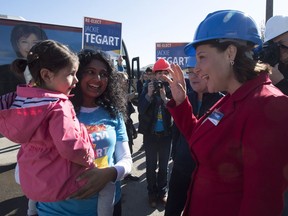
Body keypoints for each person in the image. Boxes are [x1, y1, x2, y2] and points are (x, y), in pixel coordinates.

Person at [163, 10, 288, 216]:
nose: (198, 68)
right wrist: (181, 103)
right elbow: (202, 140)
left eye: (202, 57)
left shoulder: (269, 105)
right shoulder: (232, 97)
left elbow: (261, 204)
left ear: (230, 53)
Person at [0, 40, 98, 215]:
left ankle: (32, 210)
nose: (76, 79)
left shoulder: (20, 100)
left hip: (34, 183)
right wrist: (90, 157)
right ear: (46, 75)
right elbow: (71, 145)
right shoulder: (58, 105)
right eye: (71, 74)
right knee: (107, 188)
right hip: (61, 184)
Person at [70, 49, 132, 215]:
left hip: (109, 206)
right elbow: (25, 169)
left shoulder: (113, 112)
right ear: (76, 74)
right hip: (60, 209)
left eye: (104, 74)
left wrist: (110, 174)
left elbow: (126, 159)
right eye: (90, 72)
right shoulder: (56, 110)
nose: (98, 79)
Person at [164, 56, 224, 216]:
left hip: (205, 173)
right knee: (172, 209)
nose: (193, 76)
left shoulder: (222, 102)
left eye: (198, 71)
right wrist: (175, 155)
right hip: (181, 167)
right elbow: (176, 130)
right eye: (190, 72)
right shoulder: (183, 96)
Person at [138, 58, 173, 208]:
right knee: (151, 166)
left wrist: (166, 99)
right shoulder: (147, 87)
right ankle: (151, 193)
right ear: (154, 75)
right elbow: (140, 108)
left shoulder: (172, 88)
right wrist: (149, 94)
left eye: (165, 73)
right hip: (151, 135)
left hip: (166, 134)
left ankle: (162, 192)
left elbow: (178, 109)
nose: (161, 76)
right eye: (159, 73)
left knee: (164, 166)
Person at [263, 15, 288, 216]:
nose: (282, 51)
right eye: (276, 45)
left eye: (284, 44)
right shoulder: (272, 67)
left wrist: (280, 83)